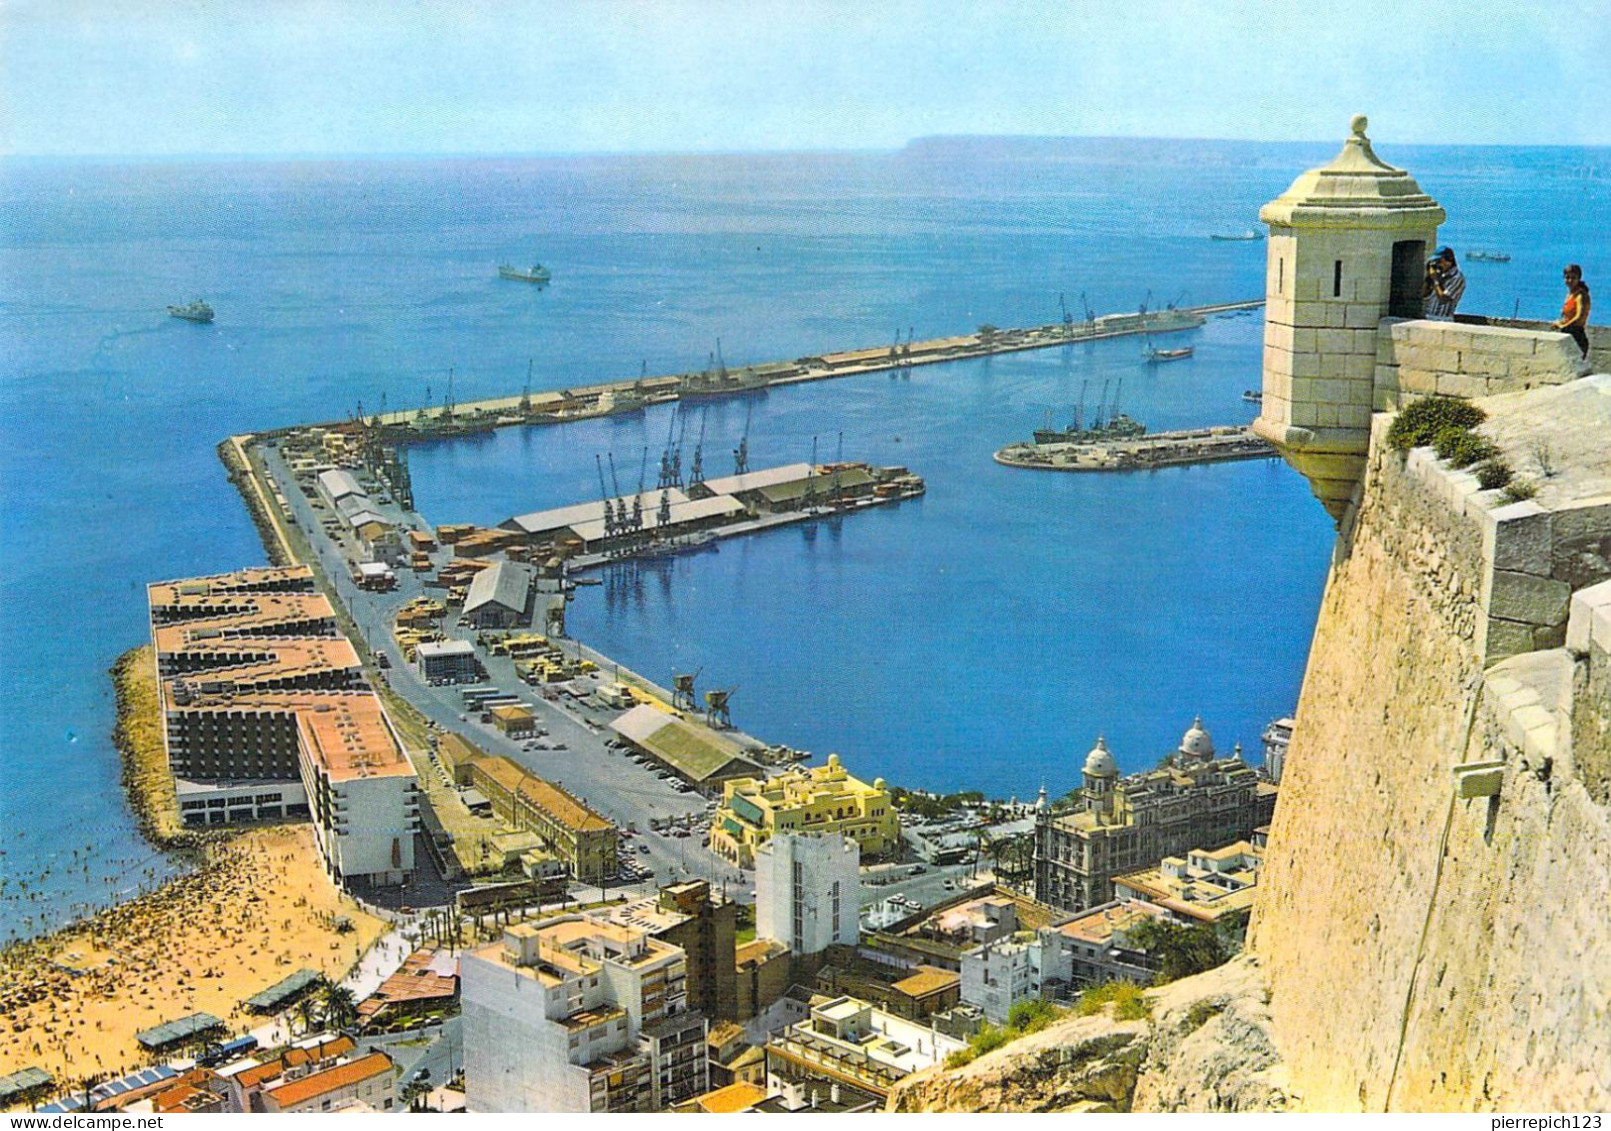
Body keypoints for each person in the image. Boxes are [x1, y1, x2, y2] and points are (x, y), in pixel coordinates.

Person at [1552, 264, 1591, 360]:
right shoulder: (1570, 294)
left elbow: (1579, 317)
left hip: (1577, 337)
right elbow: (1568, 316)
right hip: (1568, 335)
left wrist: (1563, 326)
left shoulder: (1580, 295)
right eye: (1567, 277)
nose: (1570, 280)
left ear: (1578, 278)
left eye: (1573, 278)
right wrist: (1559, 322)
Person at [1423, 246, 1466, 320]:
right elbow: (1424, 294)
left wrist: (1435, 280)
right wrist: (1429, 278)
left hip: (1443, 319)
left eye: (1440, 261)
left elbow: (1443, 299)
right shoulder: (1439, 274)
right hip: (1428, 316)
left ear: (1449, 260)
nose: (1438, 265)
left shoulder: (1457, 277)